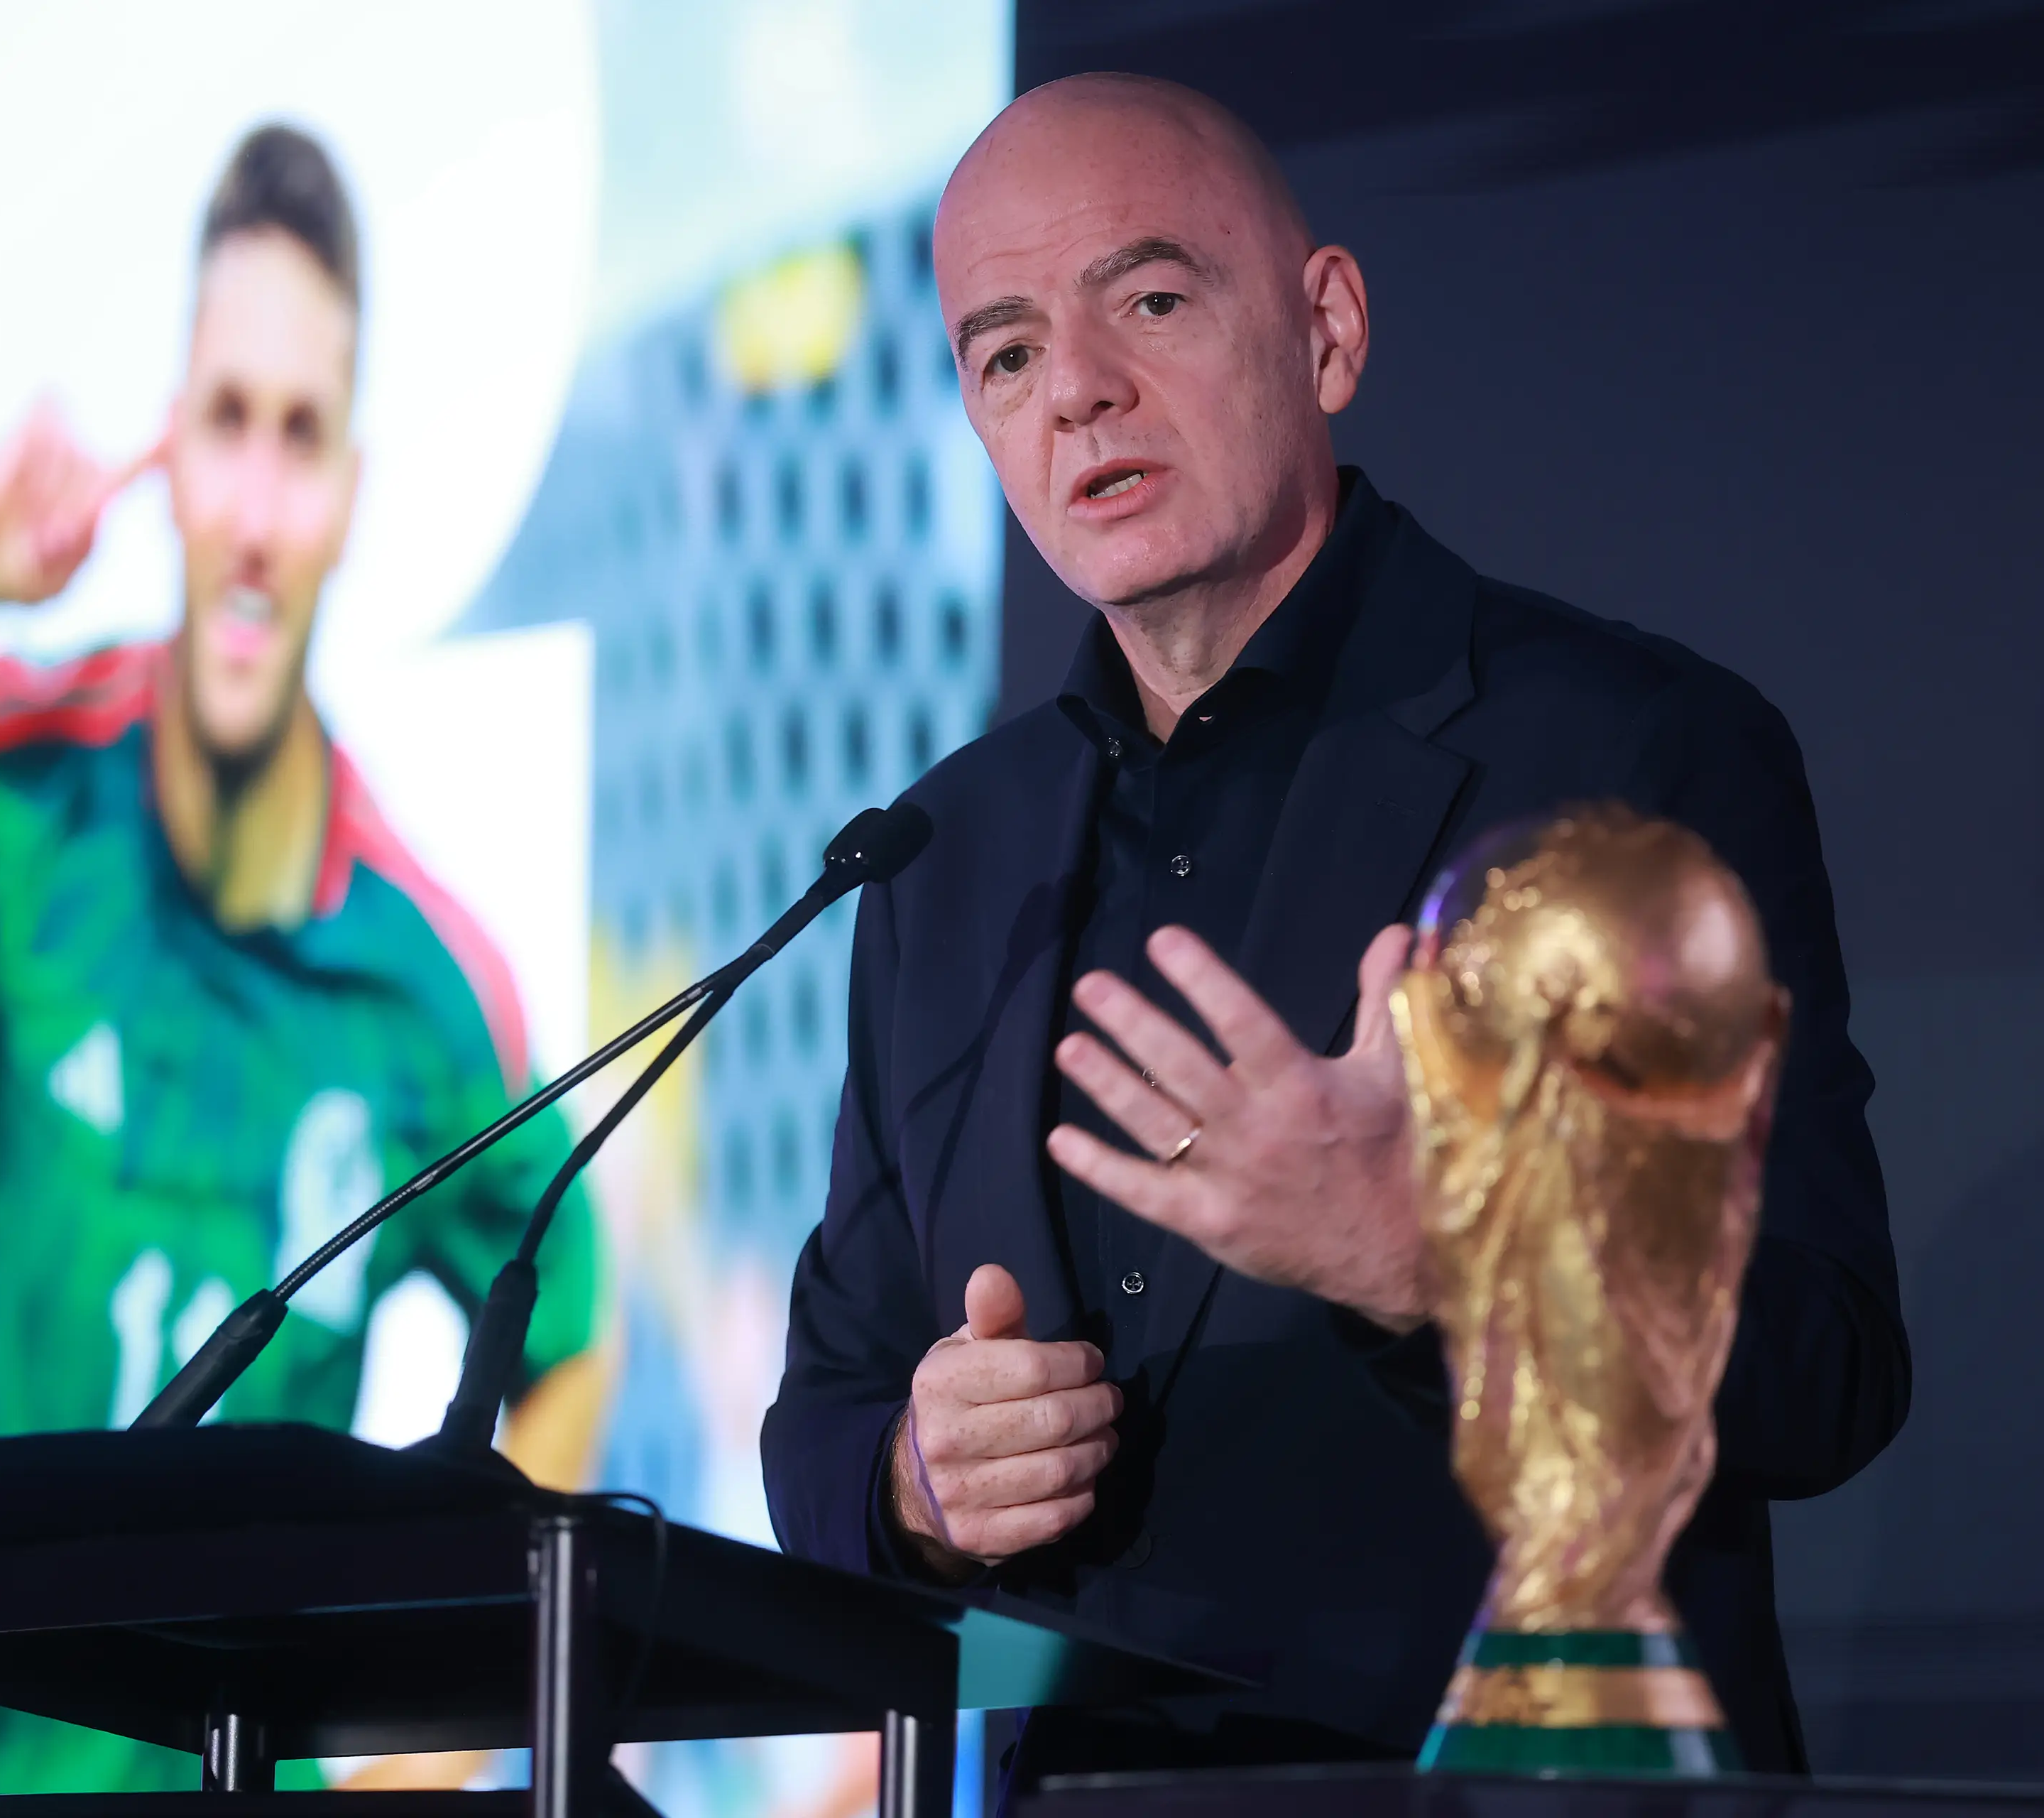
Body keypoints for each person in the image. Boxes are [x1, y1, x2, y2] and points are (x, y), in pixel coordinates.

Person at [761, 75, 1908, 1782]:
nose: (1077, 390)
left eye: (1149, 299)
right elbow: (835, 1400)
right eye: (1005, 354)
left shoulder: (1625, 751)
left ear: (1327, 332)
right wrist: (918, 1486)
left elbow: (1825, 1365)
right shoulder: (940, 853)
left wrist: (1437, 1249)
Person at [0, 124, 609, 1809]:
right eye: (225, 423)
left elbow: (573, 1328)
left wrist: (421, 1741)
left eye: (300, 436)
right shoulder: (27, 809)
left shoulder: (421, 985)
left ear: (349, 496)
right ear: (168, 452)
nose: (253, 508)